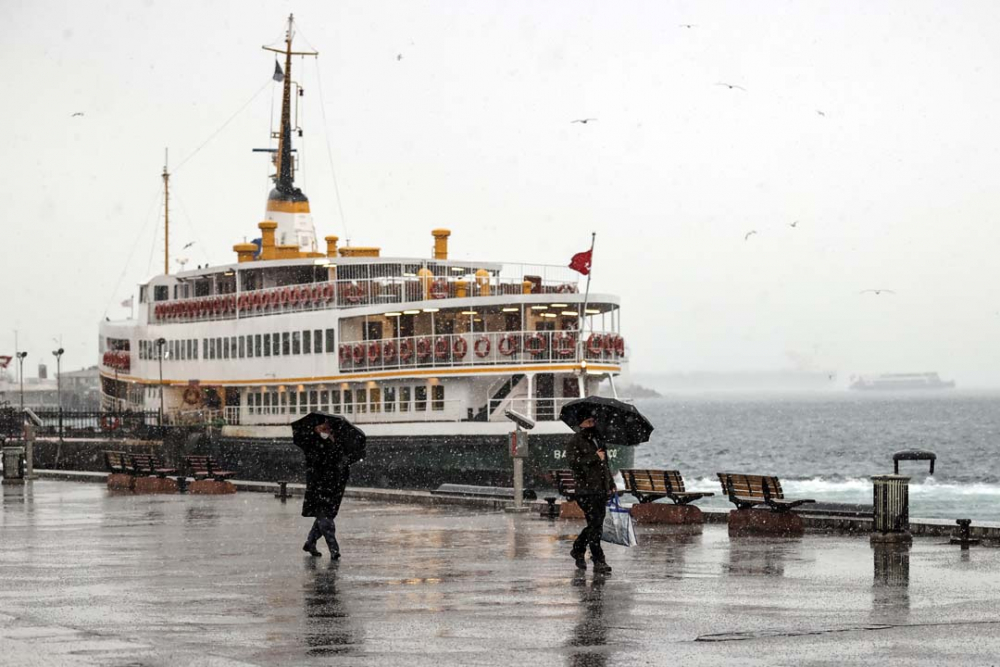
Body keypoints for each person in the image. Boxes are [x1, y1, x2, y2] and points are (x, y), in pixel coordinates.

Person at [567, 414, 616, 574]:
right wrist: (594, 457)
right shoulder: (576, 441)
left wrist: (611, 483)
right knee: (595, 524)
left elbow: (605, 465)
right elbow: (574, 463)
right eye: (588, 421)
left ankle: (579, 549)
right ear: (580, 424)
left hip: (601, 489)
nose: (592, 423)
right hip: (585, 490)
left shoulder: (599, 440)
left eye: (593, 421)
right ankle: (597, 559)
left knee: (596, 526)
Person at [302, 420, 351, 559]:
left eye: (328, 428)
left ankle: (310, 542)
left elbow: (339, 461)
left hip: (333, 485)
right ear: (317, 428)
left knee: (325, 515)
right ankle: (334, 549)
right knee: (325, 517)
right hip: (320, 486)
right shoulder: (313, 443)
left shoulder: (334, 442)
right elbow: (319, 462)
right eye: (323, 427)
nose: (326, 430)